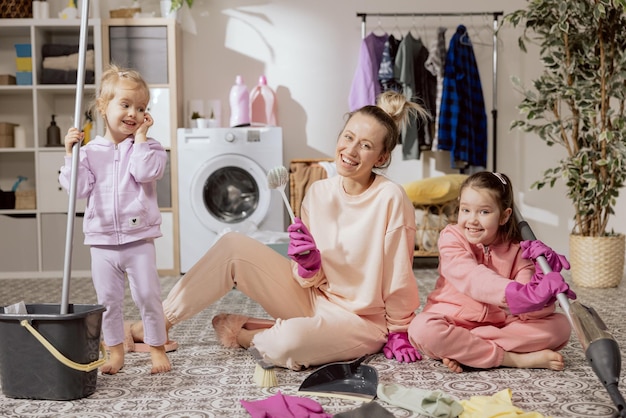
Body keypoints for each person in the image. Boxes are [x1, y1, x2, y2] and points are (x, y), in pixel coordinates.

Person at [129, 90, 429, 370]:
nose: (351, 150)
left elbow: (398, 274)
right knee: (232, 245)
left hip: (362, 321)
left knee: (287, 345)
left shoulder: (391, 198)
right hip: (314, 300)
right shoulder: (319, 192)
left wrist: (400, 329)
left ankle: (245, 332)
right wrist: (308, 264)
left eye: (365, 145)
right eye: (348, 137)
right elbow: (307, 279)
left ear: (381, 157)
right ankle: (157, 325)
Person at [59, 64, 170, 375]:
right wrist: (71, 155)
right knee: (108, 301)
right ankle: (116, 352)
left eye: (141, 107)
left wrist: (143, 138)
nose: (133, 113)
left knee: (148, 295)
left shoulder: (150, 148)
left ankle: (157, 348)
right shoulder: (89, 151)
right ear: (103, 107)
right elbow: (78, 189)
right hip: (102, 240)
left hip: (139, 240)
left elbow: (144, 172)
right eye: (125, 104)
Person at [408, 171, 577, 373]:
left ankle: (468, 351)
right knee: (421, 329)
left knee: (560, 326)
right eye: (466, 210)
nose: (472, 220)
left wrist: (542, 285)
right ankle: (512, 359)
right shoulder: (451, 238)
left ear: (504, 216)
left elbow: (527, 312)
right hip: (452, 320)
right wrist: (517, 293)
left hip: (498, 327)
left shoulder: (519, 250)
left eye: (484, 212)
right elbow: (472, 277)